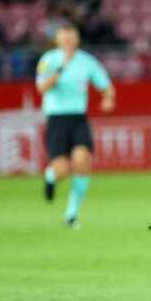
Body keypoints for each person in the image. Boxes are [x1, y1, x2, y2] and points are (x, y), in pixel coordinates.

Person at [36, 24, 115, 229]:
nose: (69, 41)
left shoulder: (86, 61)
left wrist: (108, 99)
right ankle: (51, 176)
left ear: (77, 39)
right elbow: (42, 88)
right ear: (58, 40)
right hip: (56, 118)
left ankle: (71, 215)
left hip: (78, 117)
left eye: (72, 38)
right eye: (65, 38)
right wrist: (60, 70)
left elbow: (106, 86)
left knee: (82, 161)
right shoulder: (49, 60)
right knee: (62, 169)